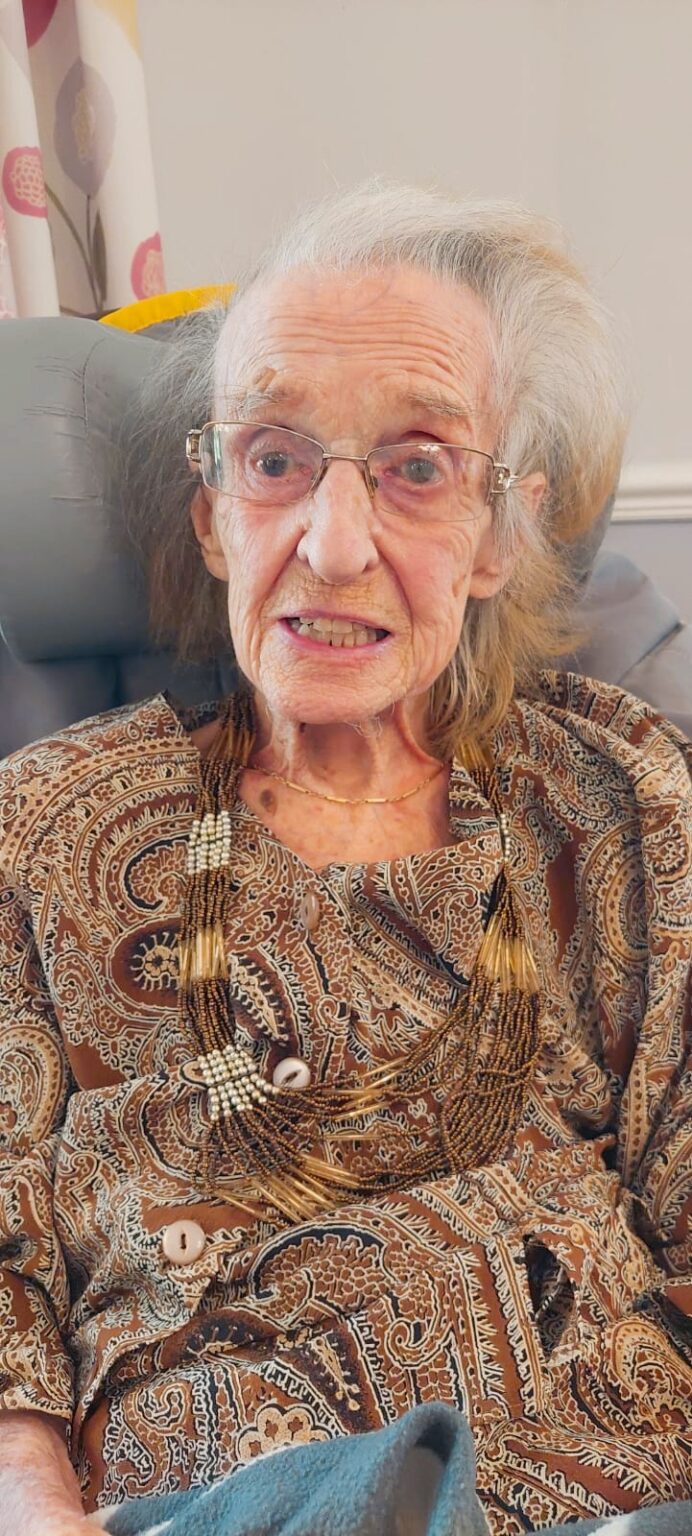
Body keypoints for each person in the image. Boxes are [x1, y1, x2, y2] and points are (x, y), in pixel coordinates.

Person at [0, 182, 690, 1536]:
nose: (332, 542)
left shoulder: (622, 795)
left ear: (501, 533)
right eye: (274, 459)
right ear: (214, 515)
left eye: (418, 468)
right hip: (220, 1498)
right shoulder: (42, 827)